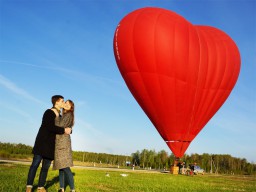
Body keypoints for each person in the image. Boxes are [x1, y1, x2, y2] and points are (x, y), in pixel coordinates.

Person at [26, 95, 72, 192]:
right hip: (42, 142)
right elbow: (50, 127)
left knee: (45, 167)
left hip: (51, 145)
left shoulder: (60, 116)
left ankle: (40, 187)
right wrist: (64, 130)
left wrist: (69, 130)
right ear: (57, 102)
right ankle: (29, 186)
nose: (63, 103)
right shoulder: (49, 112)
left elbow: (66, 126)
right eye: (62, 101)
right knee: (35, 164)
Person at [53, 100, 75, 192]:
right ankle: (61, 188)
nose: (65, 104)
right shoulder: (64, 115)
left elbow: (60, 125)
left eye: (67, 104)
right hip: (59, 142)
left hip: (63, 143)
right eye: (65, 102)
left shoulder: (68, 115)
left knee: (65, 166)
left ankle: (72, 189)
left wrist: (56, 116)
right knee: (61, 166)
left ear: (71, 107)